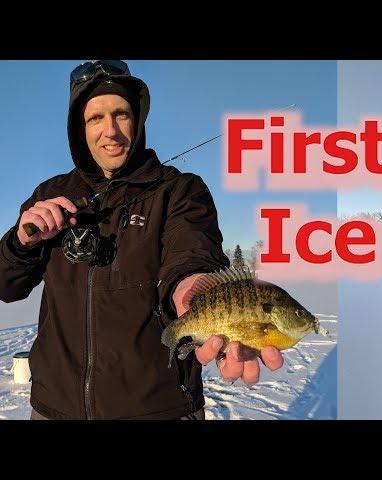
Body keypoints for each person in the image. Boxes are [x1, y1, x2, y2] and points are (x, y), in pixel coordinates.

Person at [0, 60, 283, 420]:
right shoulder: (51, 195)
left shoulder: (179, 191)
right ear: (78, 128)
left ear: (138, 119)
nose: (111, 131)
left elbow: (192, 252)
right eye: (95, 118)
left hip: (158, 407)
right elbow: (6, 286)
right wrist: (20, 244)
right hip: (54, 408)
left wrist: (193, 289)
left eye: (121, 114)